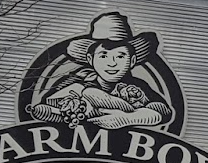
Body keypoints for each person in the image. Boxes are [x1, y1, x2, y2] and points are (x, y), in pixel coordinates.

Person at [32, 12, 172, 130]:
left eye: (120, 56)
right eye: (103, 56)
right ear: (90, 59)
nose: (112, 63)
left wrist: (128, 118)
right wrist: (78, 98)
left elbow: (163, 111)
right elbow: (46, 104)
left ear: (132, 61)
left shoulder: (137, 86)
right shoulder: (77, 81)